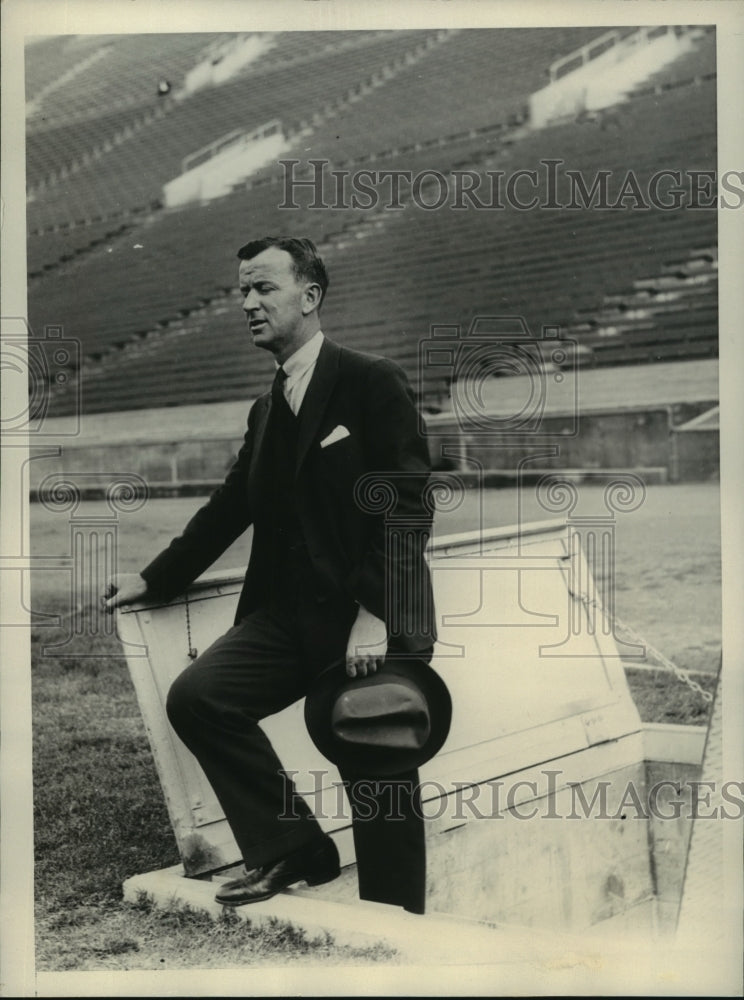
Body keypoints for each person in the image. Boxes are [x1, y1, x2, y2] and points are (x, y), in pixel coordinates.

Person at [104, 236, 437, 914]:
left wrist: (376, 615)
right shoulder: (267, 407)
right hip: (290, 620)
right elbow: (232, 506)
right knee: (200, 697)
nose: (248, 304)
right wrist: (155, 576)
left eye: (264, 289)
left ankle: (398, 931)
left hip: (370, 618)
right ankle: (292, 846)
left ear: (310, 296)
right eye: (242, 292)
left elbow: (407, 507)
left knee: (377, 773)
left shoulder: (372, 381)